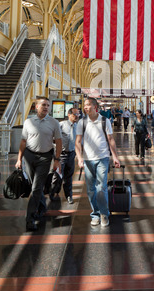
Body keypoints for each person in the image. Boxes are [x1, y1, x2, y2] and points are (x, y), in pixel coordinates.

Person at [15, 97, 62, 231]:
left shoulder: (54, 123)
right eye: (43, 105)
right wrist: (19, 159)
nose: (46, 107)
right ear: (36, 107)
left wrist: (57, 159)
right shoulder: (28, 122)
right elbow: (23, 142)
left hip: (45, 157)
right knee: (33, 185)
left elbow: (58, 141)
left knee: (36, 187)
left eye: (48, 105)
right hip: (29, 156)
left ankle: (30, 218)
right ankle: (42, 206)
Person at [75, 97, 120, 227]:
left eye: (88, 105)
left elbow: (110, 139)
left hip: (103, 158)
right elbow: (78, 142)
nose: (85, 107)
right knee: (90, 189)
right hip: (88, 159)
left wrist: (115, 157)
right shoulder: (82, 122)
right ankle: (95, 213)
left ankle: (104, 214)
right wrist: (79, 158)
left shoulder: (105, 121)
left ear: (95, 107)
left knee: (101, 188)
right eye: (85, 105)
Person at [50, 107, 79, 204]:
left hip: (71, 154)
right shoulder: (61, 125)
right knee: (57, 175)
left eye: (78, 114)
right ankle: (53, 192)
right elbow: (53, 138)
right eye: (75, 114)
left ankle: (69, 195)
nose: (77, 116)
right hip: (61, 155)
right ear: (69, 115)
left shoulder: (77, 126)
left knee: (68, 176)